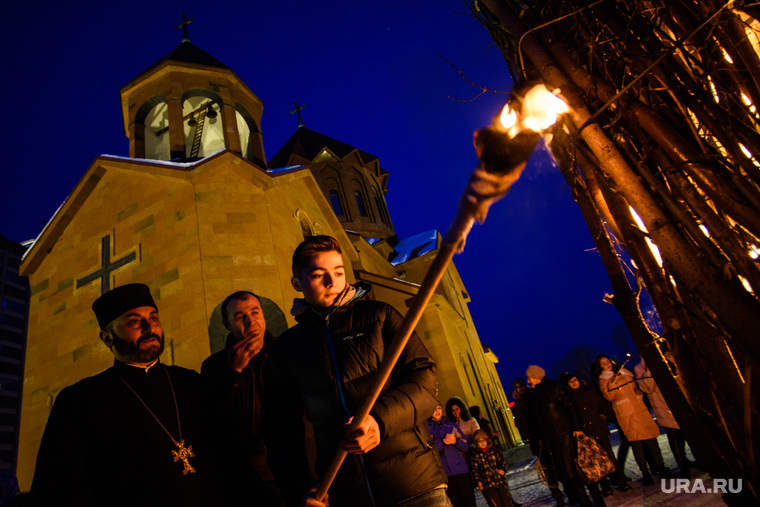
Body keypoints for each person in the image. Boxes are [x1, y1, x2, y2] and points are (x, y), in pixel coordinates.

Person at [262, 235, 449, 507]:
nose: (332, 282)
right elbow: (281, 432)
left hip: (414, 484)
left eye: (338, 272)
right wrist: (300, 489)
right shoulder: (287, 349)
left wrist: (380, 421)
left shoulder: (379, 316)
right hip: (347, 494)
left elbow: (424, 379)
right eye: (318, 275)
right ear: (297, 283)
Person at [29, 283, 218, 507]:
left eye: (154, 318)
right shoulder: (80, 401)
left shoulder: (189, 382)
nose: (150, 328)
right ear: (107, 338)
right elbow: (59, 490)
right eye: (134, 322)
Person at [201, 291, 284, 506]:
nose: (250, 321)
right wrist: (233, 371)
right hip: (245, 479)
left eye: (255, 312)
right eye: (239, 317)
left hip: (291, 468)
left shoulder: (286, 353)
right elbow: (211, 420)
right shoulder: (214, 367)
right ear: (228, 325)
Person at [525, 365, 602, 507]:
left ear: (536, 376)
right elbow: (539, 419)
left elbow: (571, 407)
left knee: (582, 469)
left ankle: (598, 499)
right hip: (553, 440)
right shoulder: (535, 395)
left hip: (567, 435)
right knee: (569, 474)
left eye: (529, 377)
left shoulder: (555, 387)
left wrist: (577, 428)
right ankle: (583, 501)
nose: (528, 381)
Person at [594, 355, 675, 486]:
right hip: (627, 415)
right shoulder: (604, 380)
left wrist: (638, 393)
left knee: (652, 441)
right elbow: (609, 396)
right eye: (603, 363)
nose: (607, 364)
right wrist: (613, 381)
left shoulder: (625, 373)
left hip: (640, 410)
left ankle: (661, 467)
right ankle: (645, 472)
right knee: (637, 445)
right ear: (600, 367)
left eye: (608, 361)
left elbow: (636, 387)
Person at [559, 371, 631, 496]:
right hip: (587, 434)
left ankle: (619, 480)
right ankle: (605, 485)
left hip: (599, 429)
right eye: (570, 381)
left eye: (575, 379)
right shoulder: (569, 400)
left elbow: (603, 405)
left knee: (610, 456)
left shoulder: (589, 393)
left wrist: (602, 416)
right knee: (596, 460)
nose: (574, 382)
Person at [634, 357, 693, 478]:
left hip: (679, 402)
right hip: (663, 406)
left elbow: (681, 379)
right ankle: (683, 466)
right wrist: (649, 371)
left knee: (690, 434)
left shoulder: (667, 359)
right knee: (675, 438)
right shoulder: (640, 368)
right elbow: (647, 388)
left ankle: (699, 460)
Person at [428, 404, 477, 507]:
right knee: (454, 503)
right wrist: (443, 442)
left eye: (439, 408)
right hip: (444, 474)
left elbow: (465, 445)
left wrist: (455, 441)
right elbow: (429, 451)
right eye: (433, 409)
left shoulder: (451, 426)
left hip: (460, 470)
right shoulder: (427, 429)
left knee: (469, 501)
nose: (437, 412)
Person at [469, 429, 513, 507]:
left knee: (506, 502)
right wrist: (478, 481)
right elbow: (475, 470)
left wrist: (503, 469)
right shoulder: (475, 455)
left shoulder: (494, 451)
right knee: (495, 503)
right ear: (476, 443)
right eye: (479, 441)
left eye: (484, 440)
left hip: (500, 481)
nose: (482, 443)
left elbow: (503, 461)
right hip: (487, 484)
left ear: (487, 441)